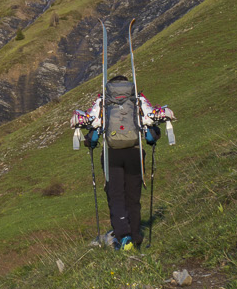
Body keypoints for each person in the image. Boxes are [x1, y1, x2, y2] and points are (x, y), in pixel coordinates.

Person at [72, 75, 175, 251]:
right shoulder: (137, 99)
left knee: (116, 195)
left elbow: (92, 121)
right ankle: (136, 237)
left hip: (111, 154)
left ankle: (123, 236)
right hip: (135, 152)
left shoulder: (104, 101)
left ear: (110, 86)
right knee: (133, 197)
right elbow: (150, 118)